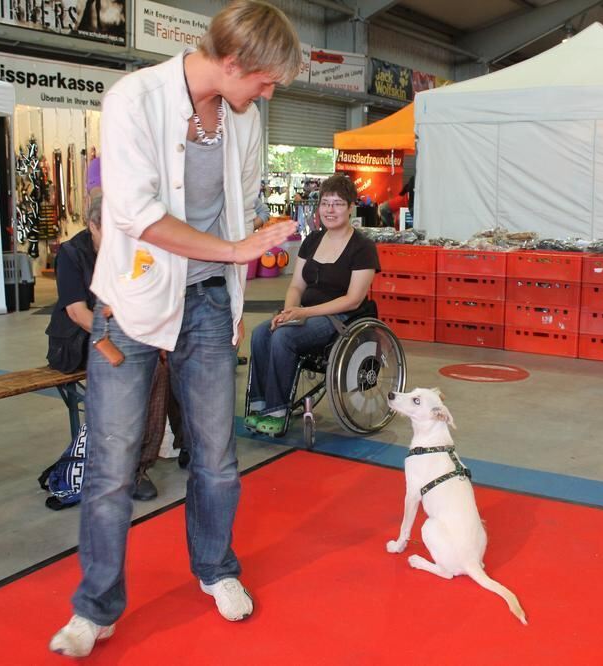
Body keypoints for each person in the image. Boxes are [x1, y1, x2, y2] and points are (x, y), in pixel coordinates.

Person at [48, 1, 301, 657]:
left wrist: (244, 271)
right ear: (232, 62)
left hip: (211, 305)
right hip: (129, 305)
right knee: (111, 464)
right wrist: (240, 251)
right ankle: (94, 606)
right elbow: (134, 212)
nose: (268, 93)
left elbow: (240, 208)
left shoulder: (243, 118)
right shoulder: (135, 97)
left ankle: (215, 567)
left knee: (216, 459)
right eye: (265, 80)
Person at [44, 188, 176, 502]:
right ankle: (125, 467)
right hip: (80, 340)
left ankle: (160, 454)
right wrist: (125, 340)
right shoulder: (71, 253)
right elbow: (78, 313)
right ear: (92, 225)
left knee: (167, 363)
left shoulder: (130, 249)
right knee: (142, 371)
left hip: (125, 333)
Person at [245, 174, 380, 435]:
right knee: (263, 332)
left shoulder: (363, 247)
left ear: (351, 207)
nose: (330, 210)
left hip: (340, 318)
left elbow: (353, 299)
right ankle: (260, 403)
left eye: (338, 203)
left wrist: (303, 313)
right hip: (305, 312)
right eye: (326, 203)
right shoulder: (313, 240)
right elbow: (296, 285)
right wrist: (289, 312)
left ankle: (277, 409)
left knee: (283, 338)